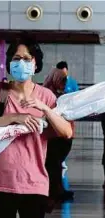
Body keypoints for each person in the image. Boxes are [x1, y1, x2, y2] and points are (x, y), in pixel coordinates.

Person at [0, 36, 73, 218]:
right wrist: (14, 117)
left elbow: (67, 131)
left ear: (35, 63)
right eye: (17, 58)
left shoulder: (46, 96)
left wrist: (45, 108)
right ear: (10, 63)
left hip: (34, 184)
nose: (21, 63)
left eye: (27, 59)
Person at [43, 68, 75, 207]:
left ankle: (58, 190)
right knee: (53, 166)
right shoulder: (46, 95)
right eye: (61, 80)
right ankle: (53, 192)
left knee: (56, 165)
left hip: (62, 136)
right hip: (52, 137)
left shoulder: (61, 94)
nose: (64, 83)